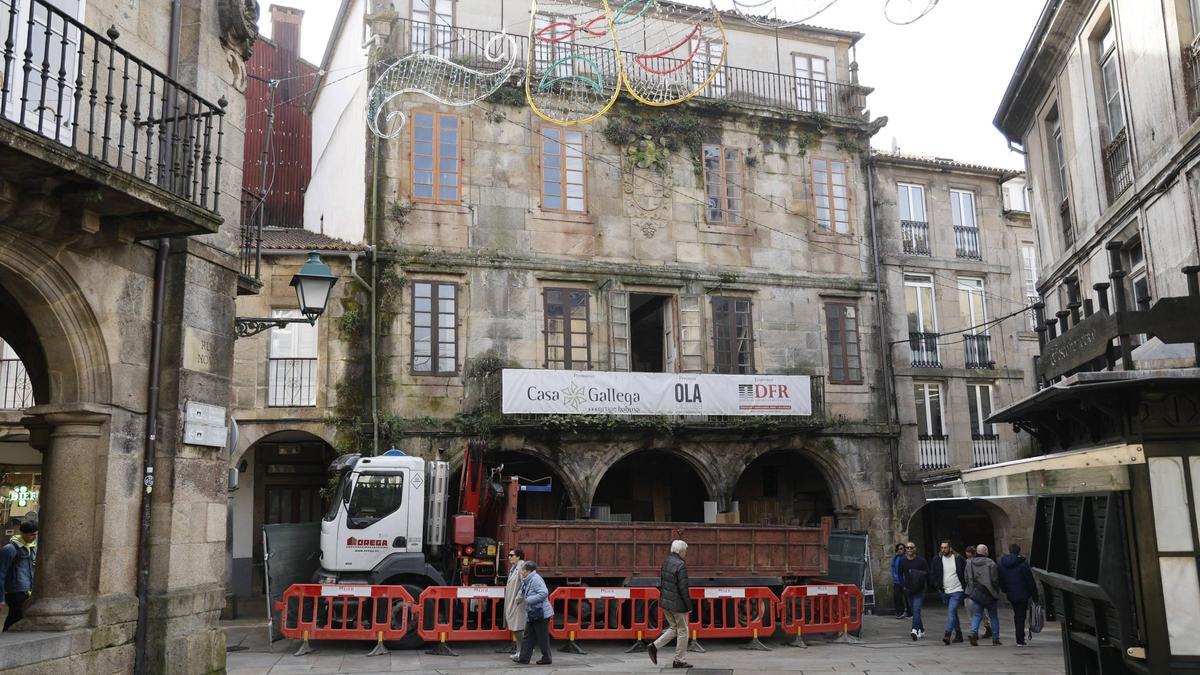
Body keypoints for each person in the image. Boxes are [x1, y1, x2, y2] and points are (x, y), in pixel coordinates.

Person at [648, 539, 693, 668]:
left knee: (674, 628)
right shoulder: (680, 565)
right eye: (685, 550)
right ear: (680, 551)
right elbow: (683, 588)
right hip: (678, 604)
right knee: (683, 631)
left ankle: (654, 646)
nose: (686, 553)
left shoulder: (666, 561)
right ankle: (679, 660)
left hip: (666, 602)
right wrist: (688, 606)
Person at [998, 543, 1039, 647]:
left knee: (1017, 615)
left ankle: (1019, 638)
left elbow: (1001, 579)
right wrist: (1035, 595)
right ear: (1018, 551)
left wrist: (1005, 590)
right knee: (1021, 616)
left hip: (1011, 593)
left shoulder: (1003, 563)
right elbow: (1030, 581)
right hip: (1023, 593)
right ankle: (1020, 639)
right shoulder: (1023, 564)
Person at [512, 561, 553, 665]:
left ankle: (547, 658)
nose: (521, 572)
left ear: (528, 571)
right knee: (528, 636)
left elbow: (544, 593)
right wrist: (517, 600)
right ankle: (524, 658)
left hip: (541, 613)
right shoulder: (527, 580)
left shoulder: (536, 579)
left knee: (542, 637)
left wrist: (528, 600)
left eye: (523, 570)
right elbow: (522, 592)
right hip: (533, 613)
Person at [0, 521, 37, 631]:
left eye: (36, 534)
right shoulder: (10, 549)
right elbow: (1, 573)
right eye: (31, 534)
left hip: (26, 589)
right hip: (14, 590)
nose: (34, 537)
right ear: (22, 533)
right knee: (15, 617)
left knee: (18, 617)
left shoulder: (29, 548)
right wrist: (1, 598)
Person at [964, 544, 1002, 646]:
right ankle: (995, 639)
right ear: (986, 552)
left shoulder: (970, 563)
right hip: (990, 593)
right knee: (993, 616)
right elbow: (995, 579)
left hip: (977, 593)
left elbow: (966, 578)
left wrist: (972, 589)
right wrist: (996, 590)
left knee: (977, 614)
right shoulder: (991, 563)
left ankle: (973, 633)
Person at [929, 540, 966, 644]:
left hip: (957, 589)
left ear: (950, 548)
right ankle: (959, 634)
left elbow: (964, 572)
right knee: (953, 613)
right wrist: (937, 585)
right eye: (942, 548)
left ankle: (947, 634)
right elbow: (932, 573)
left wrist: (965, 586)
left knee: (951, 611)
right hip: (944, 590)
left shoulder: (958, 559)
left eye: (945, 548)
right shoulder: (937, 559)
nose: (943, 550)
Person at [897, 542, 929, 640]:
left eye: (911, 547)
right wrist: (903, 586)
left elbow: (927, 573)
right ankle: (922, 630)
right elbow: (899, 574)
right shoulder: (902, 561)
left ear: (915, 549)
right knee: (916, 611)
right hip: (909, 590)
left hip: (919, 590)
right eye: (908, 547)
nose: (909, 549)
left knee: (916, 609)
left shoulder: (921, 561)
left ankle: (914, 629)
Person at [962, 545, 991, 639]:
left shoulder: (975, 563)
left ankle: (982, 629)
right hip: (970, 590)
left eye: (970, 556)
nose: (968, 558)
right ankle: (975, 631)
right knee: (972, 611)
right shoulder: (966, 562)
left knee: (978, 611)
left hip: (974, 589)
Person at [503, 548, 527, 656]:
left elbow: (525, 584)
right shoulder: (514, 568)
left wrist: (518, 598)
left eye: (511, 555)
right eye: (509, 555)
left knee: (518, 628)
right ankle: (520, 651)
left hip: (518, 603)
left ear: (518, 557)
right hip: (513, 601)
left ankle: (523, 651)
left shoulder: (521, 567)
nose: (509, 557)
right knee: (515, 627)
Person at [891, 543, 911, 619]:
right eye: (899, 549)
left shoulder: (906, 558)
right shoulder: (895, 558)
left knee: (907, 597)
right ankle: (900, 612)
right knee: (897, 597)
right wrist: (894, 575)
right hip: (897, 581)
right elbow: (893, 567)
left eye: (902, 548)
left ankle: (910, 612)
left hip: (905, 581)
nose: (900, 550)